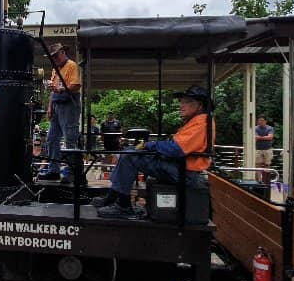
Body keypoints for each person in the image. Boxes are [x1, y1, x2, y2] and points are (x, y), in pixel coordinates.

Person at [95, 86, 213, 218]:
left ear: (200, 105)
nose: (181, 105)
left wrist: (150, 145)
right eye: (181, 102)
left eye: (186, 102)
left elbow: (176, 148)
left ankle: (123, 206)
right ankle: (113, 196)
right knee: (129, 152)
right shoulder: (196, 121)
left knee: (129, 156)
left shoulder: (202, 122)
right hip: (178, 167)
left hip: (183, 172)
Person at [38, 43, 81, 181]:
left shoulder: (72, 65)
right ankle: (53, 170)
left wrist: (60, 89)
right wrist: (50, 107)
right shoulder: (56, 69)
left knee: (70, 139)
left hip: (69, 105)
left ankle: (71, 172)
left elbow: (76, 85)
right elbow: (53, 90)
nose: (54, 59)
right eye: (52, 57)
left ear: (63, 52)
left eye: (56, 55)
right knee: (51, 139)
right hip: (57, 104)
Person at [254, 116, 274, 183]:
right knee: (258, 165)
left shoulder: (270, 128)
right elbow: (255, 137)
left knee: (267, 164)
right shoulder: (255, 128)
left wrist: (260, 137)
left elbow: (270, 137)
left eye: (262, 120)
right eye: (259, 120)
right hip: (258, 149)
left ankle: (266, 181)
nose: (260, 122)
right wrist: (265, 137)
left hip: (268, 149)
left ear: (265, 121)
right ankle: (259, 181)